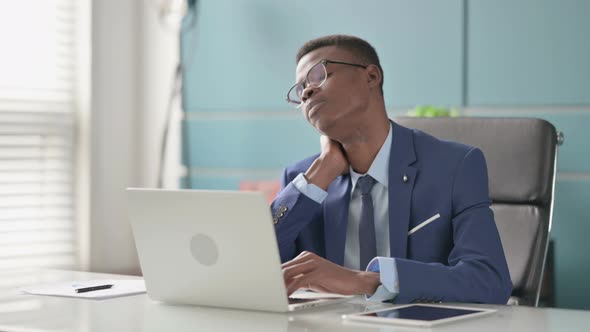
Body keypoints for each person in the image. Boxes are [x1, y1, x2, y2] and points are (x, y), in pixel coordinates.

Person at [270, 34, 512, 304]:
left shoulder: (455, 166)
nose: (306, 91)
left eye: (319, 74)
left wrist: (365, 280)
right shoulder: (303, 181)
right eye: (300, 88)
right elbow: (255, 269)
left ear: (371, 77)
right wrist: (322, 172)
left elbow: (490, 280)